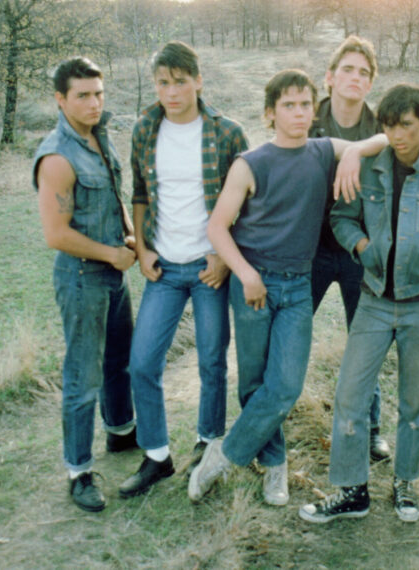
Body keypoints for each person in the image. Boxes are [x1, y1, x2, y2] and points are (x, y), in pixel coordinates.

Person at [190, 69, 387, 506]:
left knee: (285, 386)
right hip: (254, 285)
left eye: (305, 104)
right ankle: (275, 467)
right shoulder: (250, 163)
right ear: (270, 114)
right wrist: (245, 274)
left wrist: (353, 152)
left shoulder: (320, 152)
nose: (298, 113)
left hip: (298, 287)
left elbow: (385, 141)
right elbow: (218, 227)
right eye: (288, 106)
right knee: (254, 383)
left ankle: (224, 454)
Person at [299, 84, 419, 524]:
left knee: (414, 403)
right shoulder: (367, 169)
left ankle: (405, 484)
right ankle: (352, 490)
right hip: (373, 303)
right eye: (389, 125)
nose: (397, 134)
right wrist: (361, 245)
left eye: (406, 124)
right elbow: (341, 217)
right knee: (349, 396)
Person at [118, 41, 249, 499]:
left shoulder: (227, 133)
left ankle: (208, 443)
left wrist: (223, 256)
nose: (170, 92)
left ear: (197, 80)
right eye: (162, 83)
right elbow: (138, 193)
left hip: (208, 267)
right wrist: (141, 249)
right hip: (164, 268)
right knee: (142, 364)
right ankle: (157, 456)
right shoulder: (143, 130)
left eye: (178, 81)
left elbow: (246, 202)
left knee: (212, 361)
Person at [33, 57, 138, 512]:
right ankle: (78, 471)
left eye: (98, 93)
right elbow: (55, 234)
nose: (94, 103)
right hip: (82, 277)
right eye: (83, 95)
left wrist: (132, 236)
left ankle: (120, 432)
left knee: (120, 359)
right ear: (61, 99)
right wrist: (111, 253)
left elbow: (114, 195)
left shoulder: (100, 135)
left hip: (114, 272)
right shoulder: (57, 155)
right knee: (83, 374)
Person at [308, 36, 390, 462]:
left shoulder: (381, 127)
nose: (355, 78)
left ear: (370, 83)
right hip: (311, 248)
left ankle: (371, 426)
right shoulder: (307, 117)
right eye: (348, 70)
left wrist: (361, 148)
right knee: (289, 331)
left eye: (364, 72)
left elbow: (397, 151)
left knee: (366, 339)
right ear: (330, 77)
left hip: (360, 249)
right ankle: (271, 416)